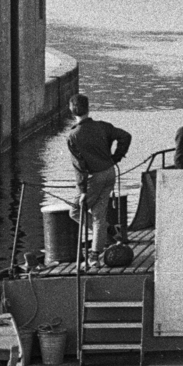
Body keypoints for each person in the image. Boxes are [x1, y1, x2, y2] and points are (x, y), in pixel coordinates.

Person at [65, 94, 132, 257]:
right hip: (110, 173)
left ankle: (106, 233)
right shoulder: (103, 126)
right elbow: (125, 136)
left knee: (75, 211)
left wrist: (82, 192)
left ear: (71, 111)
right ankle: (96, 252)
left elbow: (79, 167)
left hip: (94, 178)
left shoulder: (73, 136)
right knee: (99, 214)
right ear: (88, 108)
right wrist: (116, 157)